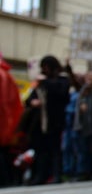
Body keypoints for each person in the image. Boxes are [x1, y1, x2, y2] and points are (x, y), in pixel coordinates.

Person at [25, 55, 71, 185]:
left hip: (55, 121)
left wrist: (45, 81)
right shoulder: (39, 83)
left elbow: (61, 93)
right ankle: (40, 175)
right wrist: (32, 102)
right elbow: (29, 98)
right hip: (40, 123)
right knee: (41, 151)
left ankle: (57, 174)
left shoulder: (61, 80)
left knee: (55, 150)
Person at [0, 54, 23, 187]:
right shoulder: (7, 75)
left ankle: (5, 180)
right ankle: (8, 180)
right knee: (5, 152)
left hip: (3, 120)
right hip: (8, 121)